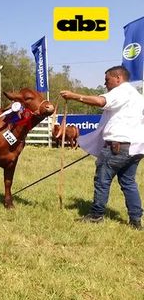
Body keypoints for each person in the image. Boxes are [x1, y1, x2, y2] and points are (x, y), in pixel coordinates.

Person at [60, 65, 144, 230]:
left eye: (107, 80)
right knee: (128, 183)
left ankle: (96, 215)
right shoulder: (137, 96)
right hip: (134, 147)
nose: (105, 84)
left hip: (117, 146)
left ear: (118, 78)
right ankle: (136, 220)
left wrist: (73, 96)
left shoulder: (121, 91)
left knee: (102, 180)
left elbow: (100, 101)